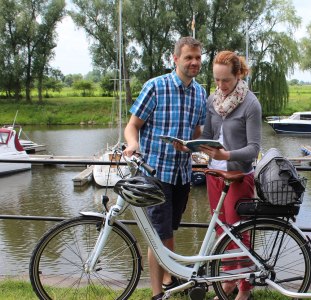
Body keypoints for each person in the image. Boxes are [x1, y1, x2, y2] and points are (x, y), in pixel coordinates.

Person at [123, 36, 207, 300]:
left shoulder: (200, 92)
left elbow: (196, 133)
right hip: (155, 172)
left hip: (183, 174)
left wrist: (193, 147)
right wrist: (132, 144)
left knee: (169, 229)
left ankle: (170, 277)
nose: (194, 62)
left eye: (197, 58)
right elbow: (132, 125)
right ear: (175, 59)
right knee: (158, 235)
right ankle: (157, 293)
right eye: (188, 58)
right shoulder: (155, 87)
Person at [198, 50, 262, 300]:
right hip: (214, 174)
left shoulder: (250, 104)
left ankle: (245, 288)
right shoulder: (212, 101)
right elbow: (210, 135)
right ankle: (227, 280)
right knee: (221, 232)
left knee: (239, 232)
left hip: (238, 176)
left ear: (238, 75)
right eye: (216, 80)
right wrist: (197, 146)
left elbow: (254, 149)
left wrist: (227, 155)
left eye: (225, 80)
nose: (220, 86)